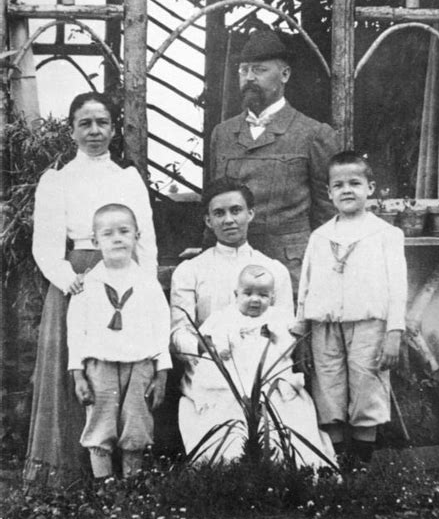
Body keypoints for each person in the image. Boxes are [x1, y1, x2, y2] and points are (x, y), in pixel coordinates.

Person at [24, 92, 158, 487]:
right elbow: (46, 244)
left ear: (114, 129)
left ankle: (124, 471)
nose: (95, 131)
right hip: (78, 280)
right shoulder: (57, 180)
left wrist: (145, 286)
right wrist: (70, 281)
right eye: (85, 123)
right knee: (78, 366)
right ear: (72, 130)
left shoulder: (127, 179)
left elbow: (144, 238)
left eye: (102, 123)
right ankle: (70, 474)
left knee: (124, 369)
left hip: (125, 280)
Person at [295, 151, 407, 467]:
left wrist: (394, 331)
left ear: (370, 188)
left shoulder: (386, 235)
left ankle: (361, 465)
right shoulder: (320, 236)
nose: (347, 190)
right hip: (325, 324)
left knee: (366, 386)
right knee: (327, 387)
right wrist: (302, 326)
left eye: (355, 183)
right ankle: (335, 462)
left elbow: (398, 287)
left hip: (369, 323)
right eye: (339, 184)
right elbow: (306, 283)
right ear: (329, 192)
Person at [210, 29, 339, 293]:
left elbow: (328, 214)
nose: (248, 78)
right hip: (232, 270)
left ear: (285, 75)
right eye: (243, 70)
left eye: (259, 70)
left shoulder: (313, 134)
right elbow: (214, 203)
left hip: (291, 271)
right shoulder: (222, 134)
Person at [170, 178, 294, 450]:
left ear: (250, 213)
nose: (228, 220)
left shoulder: (273, 270)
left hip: (264, 368)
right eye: (219, 213)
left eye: (236, 210)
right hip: (211, 367)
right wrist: (203, 347)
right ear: (207, 220)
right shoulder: (191, 270)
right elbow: (179, 332)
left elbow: (286, 330)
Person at [185, 264, 336, 475]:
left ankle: (288, 464)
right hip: (235, 375)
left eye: (263, 295)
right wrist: (222, 347)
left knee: (289, 409)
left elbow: (286, 347)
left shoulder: (278, 318)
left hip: (269, 375)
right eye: (248, 294)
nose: (255, 300)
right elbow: (210, 339)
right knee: (226, 406)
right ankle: (229, 465)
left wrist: (275, 334)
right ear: (236, 294)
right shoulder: (224, 316)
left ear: (272, 298)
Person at [67, 204, 171, 479]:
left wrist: (161, 373)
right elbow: (75, 332)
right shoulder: (86, 285)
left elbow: (161, 328)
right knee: (100, 424)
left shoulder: (148, 284)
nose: (117, 238)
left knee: (136, 423)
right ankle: (106, 492)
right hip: (99, 365)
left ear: (137, 236)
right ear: (94, 241)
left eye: (124, 231)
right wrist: (78, 375)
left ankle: (132, 488)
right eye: (108, 233)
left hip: (140, 365)